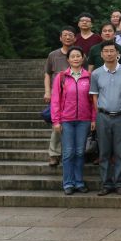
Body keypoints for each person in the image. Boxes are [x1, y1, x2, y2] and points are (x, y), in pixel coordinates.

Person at [90, 40, 121, 195]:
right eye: (106, 51)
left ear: (118, 54)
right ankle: (106, 183)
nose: (109, 54)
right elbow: (94, 96)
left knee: (120, 152)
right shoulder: (96, 74)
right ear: (101, 54)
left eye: (112, 51)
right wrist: (98, 114)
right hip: (103, 117)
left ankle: (120, 183)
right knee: (104, 152)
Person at [51, 46, 95, 195]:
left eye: (78, 56)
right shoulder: (61, 77)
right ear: (68, 59)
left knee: (80, 152)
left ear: (83, 58)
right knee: (68, 152)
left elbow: (93, 101)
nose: (76, 58)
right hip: (66, 120)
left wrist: (93, 118)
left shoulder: (89, 77)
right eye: (73, 56)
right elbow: (55, 100)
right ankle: (68, 183)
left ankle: (79, 182)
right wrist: (56, 121)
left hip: (84, 120)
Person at [44, 26, 77, 166]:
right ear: (60, 38)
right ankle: (54, 154)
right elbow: (47, 74)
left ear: (75, 38)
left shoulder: (79, 54)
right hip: (58, 95)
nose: (68, 37)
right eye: (65, 35)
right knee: (56, 125)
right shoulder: (53, 55)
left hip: (75, 95)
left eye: (70, 35)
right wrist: (47, 91)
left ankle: (72, 152)